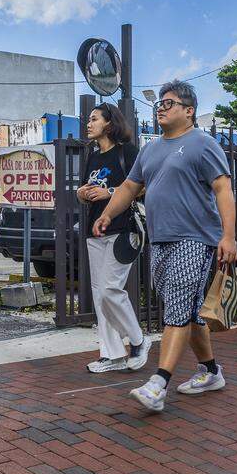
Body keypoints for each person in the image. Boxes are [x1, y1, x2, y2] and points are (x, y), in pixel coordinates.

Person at [94, 80, 237, 413]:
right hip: (159, 240)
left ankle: (158, 383)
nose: (161, 107)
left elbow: (223, 190)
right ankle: (211, 371)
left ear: (189, 111)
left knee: (177, 308)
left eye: (169, 103)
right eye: (159, 102)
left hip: (196, 239)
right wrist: (107, 212)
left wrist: (228, 236)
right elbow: (130, 187)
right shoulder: (151, 149)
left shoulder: (203, 144)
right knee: (185, 310)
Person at [77, 103, 150, 374]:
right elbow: (83, 189)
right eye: (89, 119)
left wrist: (111, 194)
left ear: (109, 124)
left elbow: (140, 186)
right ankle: (112, 354)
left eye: (94, 119)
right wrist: (82, 194)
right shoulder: (93, 157)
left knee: (110, 289)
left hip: (123, 228)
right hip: (94, 230)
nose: (89, 123)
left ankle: (139, 339)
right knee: (100, 295)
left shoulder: (127, 152)